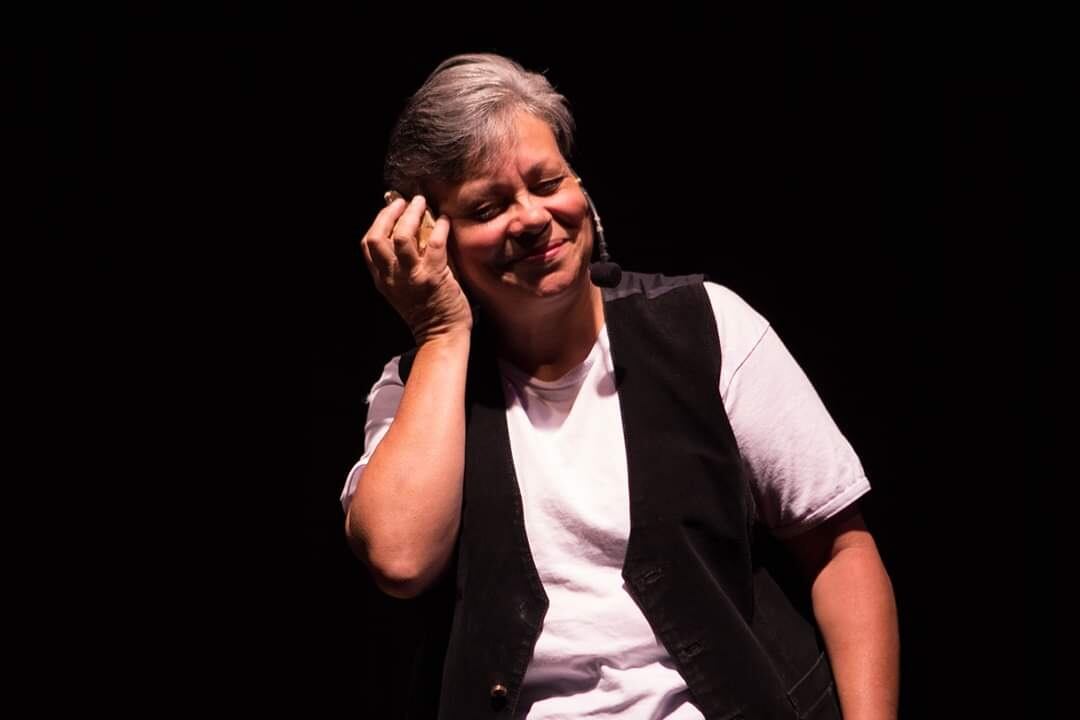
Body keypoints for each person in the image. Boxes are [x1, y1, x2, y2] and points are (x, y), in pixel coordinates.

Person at [342, 53, 899, 719]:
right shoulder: (416, 389)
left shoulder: (707, 327)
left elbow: (840, 550)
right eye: (488, 206)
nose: (532, 217)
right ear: (433, 238)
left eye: (547, 182)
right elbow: (400, 561)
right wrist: (441, 332)